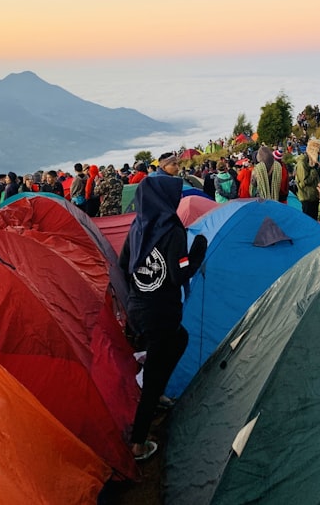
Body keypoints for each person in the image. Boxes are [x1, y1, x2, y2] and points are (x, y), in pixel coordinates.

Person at [118, 172, 208, 463]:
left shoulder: (137, 227)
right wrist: (199, 249)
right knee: (156, 371)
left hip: (138, 308)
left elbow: (122, 265)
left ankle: (155, 395)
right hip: (161, 311)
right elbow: (179, 273)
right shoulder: (173, 231)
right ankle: (138, 443)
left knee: (180, 339)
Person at [295, 139, 320, 219]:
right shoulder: (302, 163)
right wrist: (314, 171)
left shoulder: (311, 161)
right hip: (307, 198)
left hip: (314, 197)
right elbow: (303, 183)